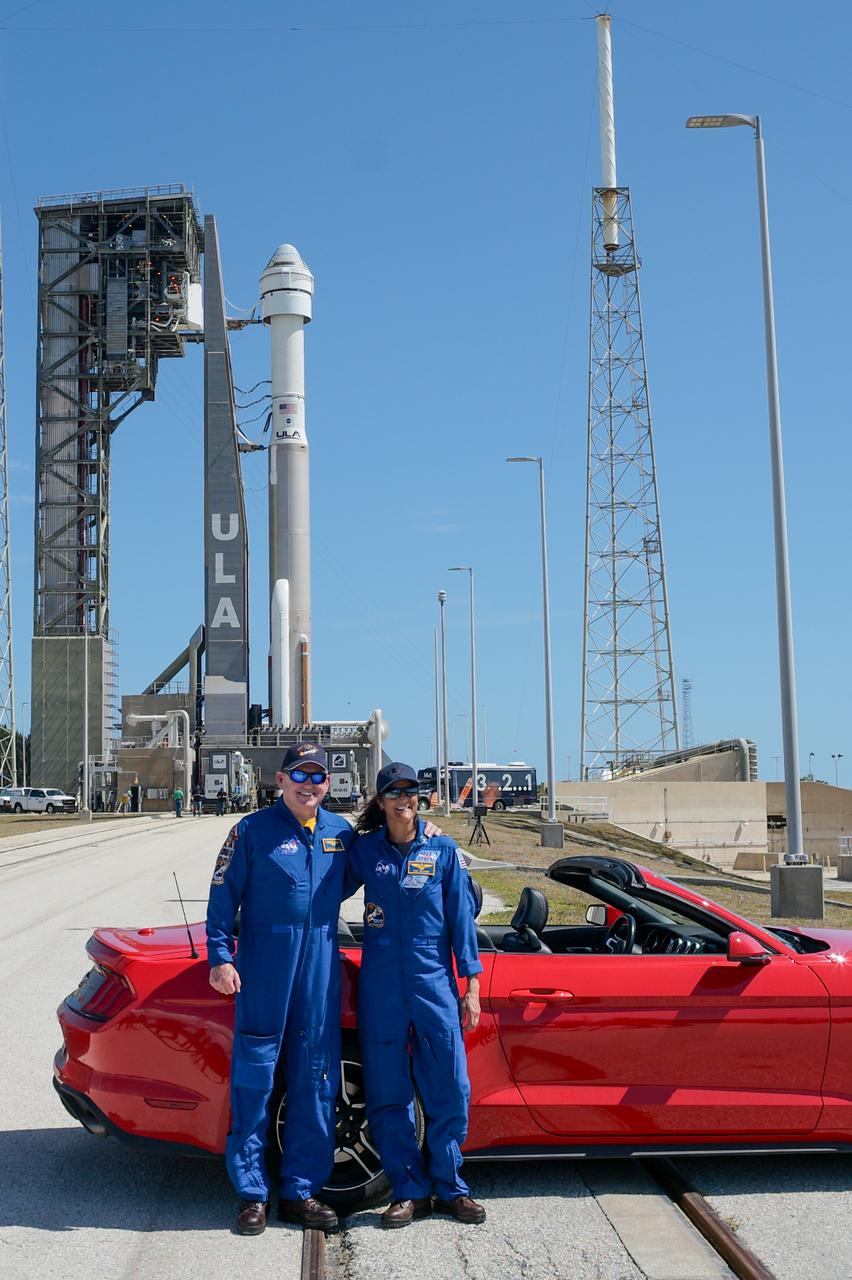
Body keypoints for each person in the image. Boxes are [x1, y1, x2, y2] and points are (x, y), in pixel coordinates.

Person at [206, 744, 358, 1236]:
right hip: (264, 963)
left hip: (319, 965)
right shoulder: (250, 831)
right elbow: (221, 896)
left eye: (317, 777)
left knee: (316, 1076)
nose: (308, 785)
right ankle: (252, 1193)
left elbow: (382, 861)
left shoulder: (341, 833)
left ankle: (301, 1190)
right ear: (280, 779)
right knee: (255, 1077)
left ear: (327, 785)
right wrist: (220, 957)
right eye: (299, 775)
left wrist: (424, 833)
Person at [346, 761, 486, 1229]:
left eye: (411, 791)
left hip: (433, 982)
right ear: (381, 800)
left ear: (418, 798)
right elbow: (321, 881)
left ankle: (450, 1187)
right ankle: (409, 1190)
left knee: (450, 1087)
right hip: (382, 983)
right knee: (388, 1092)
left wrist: (472, 986)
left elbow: (462, 923)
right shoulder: (365, 851)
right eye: (394, 792)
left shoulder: (444, 852)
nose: (404, 799)